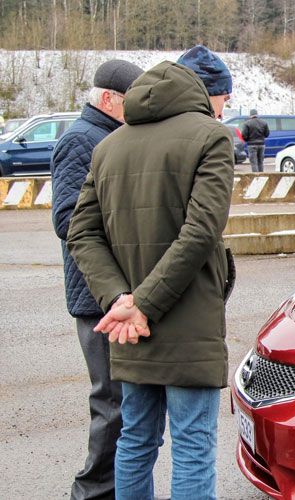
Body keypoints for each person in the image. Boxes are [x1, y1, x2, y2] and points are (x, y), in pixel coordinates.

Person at [67, 45, 234, 500]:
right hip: (186, 317)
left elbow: (80, 234)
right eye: (225, 98)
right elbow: (201, 233)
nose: (227, 108)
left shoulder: (109, 146)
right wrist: (141, 304)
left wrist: (119, 300)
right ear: (205, 91)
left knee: (136, 441)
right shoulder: (211, 136)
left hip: (128, 326)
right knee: (193, 445)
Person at [51, 58, 144, 500]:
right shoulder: (81, 140)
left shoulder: (107, 136)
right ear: (108, 99)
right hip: (95, 293)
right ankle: (91, 492)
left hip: (113, 292)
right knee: (111, 401)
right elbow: (69, 221)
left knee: (123, 402)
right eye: (131, 101)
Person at [241, 108, 269, 172]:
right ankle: (262, 177)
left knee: (254, 163)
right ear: (257, 114)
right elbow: (267, 134)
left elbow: (244, 135)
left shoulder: (247, 123)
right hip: (262, 145)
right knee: (260, 162)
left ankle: (256, 178)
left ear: (250, 115)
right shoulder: (264, 123)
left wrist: (247, 140)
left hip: (251, 145)